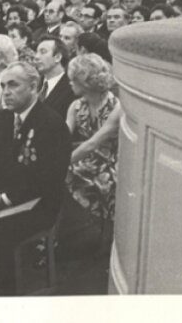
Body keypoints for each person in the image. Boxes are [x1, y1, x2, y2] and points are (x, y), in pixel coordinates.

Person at [0, 62, 71, 295]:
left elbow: (48, 181)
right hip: (3, 197)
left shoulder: (51, 124)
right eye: (3, 86)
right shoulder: (2, 119)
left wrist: (4, 199)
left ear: (33, 86)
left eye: (13, 85)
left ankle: (2, 298)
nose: (6, 92)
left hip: (38, 204)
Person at [65, 54, 119, 232]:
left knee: (67, 175)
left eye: (73, 79)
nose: (70, 83)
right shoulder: (76, 106)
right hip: (86, 160)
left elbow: (93, 143)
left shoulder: (116, 107)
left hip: (112, 162)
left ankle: (98, 231)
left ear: (85, 82)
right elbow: (62, 138)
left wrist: (60, 163)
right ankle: (72, 231)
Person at [34, 36, 76, 120]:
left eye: (43, 52)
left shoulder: (72, 88)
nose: (36, 57)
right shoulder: (34, 84)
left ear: (57, 57)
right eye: (36, 52)